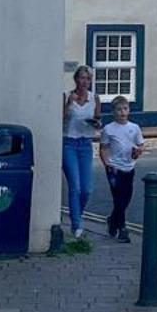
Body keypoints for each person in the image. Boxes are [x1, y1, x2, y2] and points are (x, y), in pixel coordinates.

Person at [99, 96, 145, 243]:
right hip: (114, 167)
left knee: (126, 197)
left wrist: (137, 152)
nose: (122, 112)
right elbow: (104, 148)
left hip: (129, 167)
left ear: (129, 110)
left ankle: (113, 220)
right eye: (119, 109)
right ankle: (122, 229)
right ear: (114, 112)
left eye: (125, 109)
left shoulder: (134, 128)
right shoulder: (108, 129)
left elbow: (140, 145)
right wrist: (107, 164)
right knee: (118, 198)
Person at [61, 67, 100, 241]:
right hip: (69, 143)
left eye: (88, 79)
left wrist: (97, 124)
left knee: (86, 189)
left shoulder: (94, 98)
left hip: (85, 144)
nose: (84, 82)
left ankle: (77, 215)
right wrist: (69, 104)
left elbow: (97, 119)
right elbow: (60, 119)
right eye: (81, 78)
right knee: (75, 187)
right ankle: (76, 226)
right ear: (75, 79)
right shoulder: (67, 96)